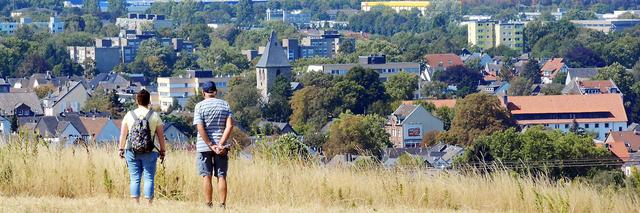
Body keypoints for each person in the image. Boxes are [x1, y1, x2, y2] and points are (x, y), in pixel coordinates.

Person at [118, 89, 166, 205]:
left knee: (135, 178)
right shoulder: (154, 116)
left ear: (137, 101)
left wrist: (121, 148)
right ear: (149, 101)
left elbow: (123, 134)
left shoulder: (129, 115)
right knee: (149, 177)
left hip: (131, 150)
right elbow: (160, 136)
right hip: (150, 150)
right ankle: (149, 204)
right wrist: (162, 151)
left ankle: (136, 204)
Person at [193, 81, 234, 209]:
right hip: (221, 147)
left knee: (207, 175)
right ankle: (222, 205)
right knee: (221, 175)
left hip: (204, 145)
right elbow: (230, 125)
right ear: (215, 91)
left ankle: (209, 205)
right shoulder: (225, 105)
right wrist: (220, 144)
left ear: (203, 93)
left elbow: (200, 128)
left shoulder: (199, 106)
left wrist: (211, 144)